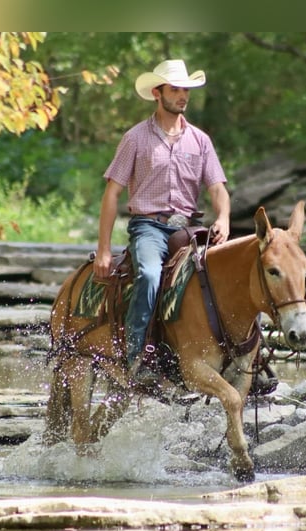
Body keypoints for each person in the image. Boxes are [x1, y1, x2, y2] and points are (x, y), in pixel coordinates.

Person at [92, 59, 231, 377]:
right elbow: (112, 193)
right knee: (151, 276)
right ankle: (135, 358)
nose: (183, 95)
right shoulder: (135, 138)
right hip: (148, 226)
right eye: (175, 89)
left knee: (231, 270)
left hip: (189, 227)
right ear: (157, 93)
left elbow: (217, 188)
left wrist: (222, 217)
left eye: (186, 90)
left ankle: (244, 354)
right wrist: (103, 249)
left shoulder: (200, 141)